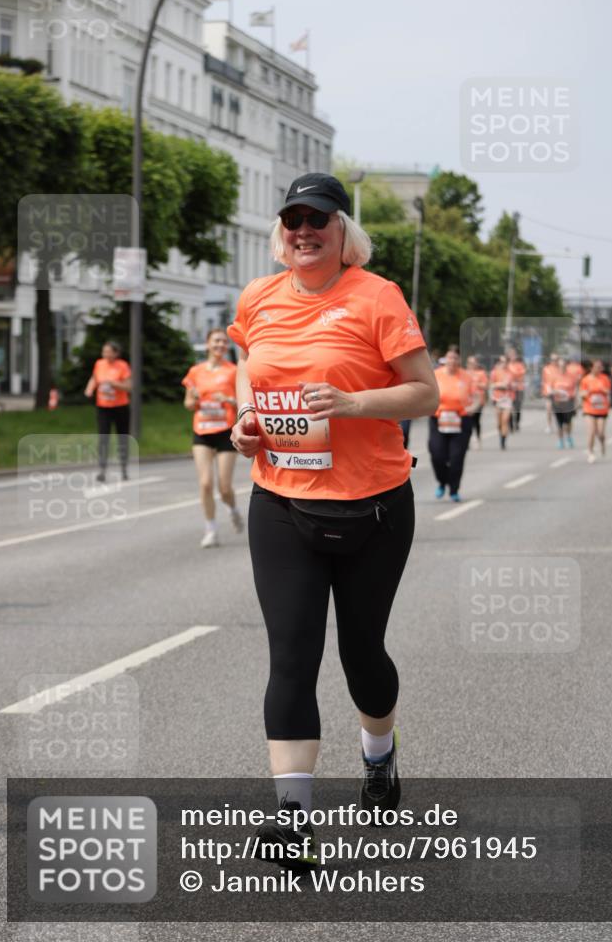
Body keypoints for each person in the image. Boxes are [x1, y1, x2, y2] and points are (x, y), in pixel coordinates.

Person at [227, 173, 438, 865]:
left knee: (361, 656)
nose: (303, 230)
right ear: (280, 232)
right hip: (281, 502)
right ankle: (294, 820)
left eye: (317, 219)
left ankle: (378, 752)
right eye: (292, 219)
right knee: (291, 657)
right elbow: (248, 366)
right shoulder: (258, 297)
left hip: (372, 505)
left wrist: (352, 405)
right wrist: (246, 417)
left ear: (343, 231)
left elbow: (424, 393)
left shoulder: (377, 296)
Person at [182, 328, 243, 548]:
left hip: (225, 431)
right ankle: (211, 530)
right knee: (206, 483)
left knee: (224, 488)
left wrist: (228, 399)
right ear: (208, 344)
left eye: (224, 342)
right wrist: (194, 399)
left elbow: (243, 401)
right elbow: (188, 404)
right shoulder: (195, 371)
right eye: (216, 341)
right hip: (202, 431)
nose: (220, 345)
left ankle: (233, 509)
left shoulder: (234, 371)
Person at [83, 341, 131, 481]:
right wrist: (89, 389)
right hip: (103, 407)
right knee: (103, 438)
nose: (105, 354)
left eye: (109, 352)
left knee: (122, 437)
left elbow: (129, 386)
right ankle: (102, 470)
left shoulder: (122, 366)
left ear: (116, 353)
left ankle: (124, 468)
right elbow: (94, 378)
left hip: (120, 406)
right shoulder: (99, 364)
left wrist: (114, 384)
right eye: (104, 352)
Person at [428, 348, 473, 501]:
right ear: (445, 359)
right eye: (450, 358)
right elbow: (427, 394)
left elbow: (477, 397)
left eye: (455, 358)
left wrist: (473, 408)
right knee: (437, 455)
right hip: (439, 419)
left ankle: (454, 490)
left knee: (456, 458)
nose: (452, 361)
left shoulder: (466, 377)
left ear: (459, 360)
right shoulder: (436, 375)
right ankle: (442, 481)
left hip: (461, 420)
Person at [579, 359, 611, 462]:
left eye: (600, 367)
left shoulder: (605, 378)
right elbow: (581, 393)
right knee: (591, 431)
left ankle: (602, 443)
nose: (599, 369)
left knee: (600, 432)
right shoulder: (586, 379)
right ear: (591, 368)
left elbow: (608, 391)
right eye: (597, 367)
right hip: (589, 409)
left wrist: (603, 391)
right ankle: (591, 452)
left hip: (601, 409)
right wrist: (587, 392)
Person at [550, 358, 578, 449]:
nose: (562, 367)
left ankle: (568, 436)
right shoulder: (554, 376)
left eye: (564, 365)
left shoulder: (571, 376)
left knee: (567, 423)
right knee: (559, 423)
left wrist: (575, 402)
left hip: (568, 403)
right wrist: (554, 393)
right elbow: (550, 388)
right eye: (560, 365)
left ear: (566, 366)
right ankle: (560, 440)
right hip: (557, 403)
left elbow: (575, 389)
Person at [489, 355, 514, 450]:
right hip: (497, 399)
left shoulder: (509, 373)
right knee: (499, 423)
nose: (504, 364)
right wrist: (498, 385)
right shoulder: (494, 372)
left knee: (505, 420)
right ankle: (501, 435)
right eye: (502, 362)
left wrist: (498, 385)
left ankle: (503, 442)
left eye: (506, 362)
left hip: (507, 399)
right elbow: (491, 385)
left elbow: (507, 385)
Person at [466, 355, 488, 448]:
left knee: (476, 421)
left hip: (479, 401)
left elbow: (485, 386)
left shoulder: (481, 373)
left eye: (473, 363)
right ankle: (467, 441)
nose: (471, 365)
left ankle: (478, 439)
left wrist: (476, 383)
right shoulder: (464, 373)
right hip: (468, 401)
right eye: (470, 363)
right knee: (468, 422)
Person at [506, 347, 526, 432]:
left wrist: (513, 376)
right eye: (510, 354)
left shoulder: (520, 365)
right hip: (509, 389)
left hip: (519, 388)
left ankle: (517, 423)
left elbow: (521, 374)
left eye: (513, 354)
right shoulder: (506, 365)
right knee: (509, 407)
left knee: (517, 407)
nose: (512, 356)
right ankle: (510, 425)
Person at [542, 353, 560, 433]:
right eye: (553, 359)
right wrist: (544, 391)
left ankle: (559, 424)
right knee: (548, 409)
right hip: (548, 392)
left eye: (556, 359)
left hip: (558, 392)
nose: (554, 361)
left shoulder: (560, 369)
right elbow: (544, 381)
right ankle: (549, 425)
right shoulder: (546, 369)